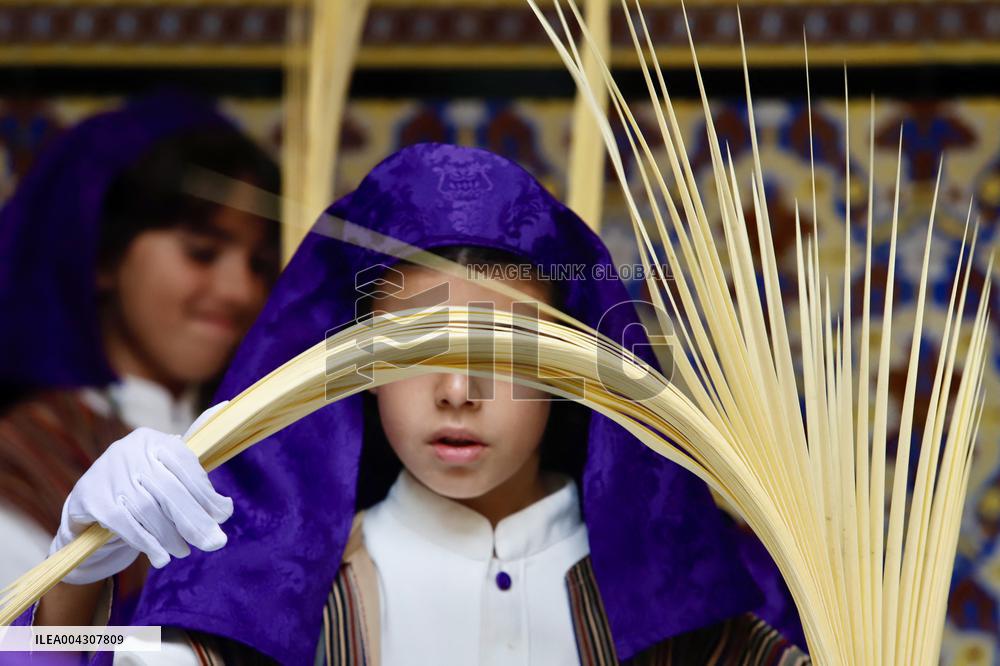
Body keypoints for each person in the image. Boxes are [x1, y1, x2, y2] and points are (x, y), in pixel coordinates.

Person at [23, 144, 806, 665]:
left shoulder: (686, 605)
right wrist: (75, 588)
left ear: (573, 362)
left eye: (508, 352)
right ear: (353, 363)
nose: (458, 392)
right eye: (414, 351)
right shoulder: (275, 598)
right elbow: (98, 648)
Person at [0, 91, 281, 602]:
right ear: (104, 258)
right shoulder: (23, 460)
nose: (241, 291)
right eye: (203, 252)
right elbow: (21, 647)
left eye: (260, 264)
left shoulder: (272, 451)